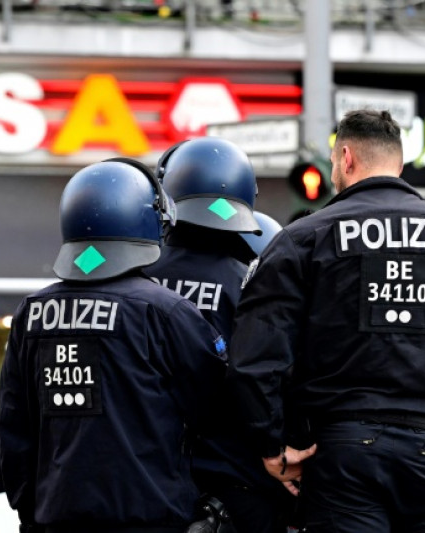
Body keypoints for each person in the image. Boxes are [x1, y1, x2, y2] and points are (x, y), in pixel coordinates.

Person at [226, 109, 425, 532]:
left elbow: (257, 356)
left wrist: (273, 443)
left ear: (346, 158)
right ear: (399, 165)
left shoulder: (304, 238)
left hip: (342, 453)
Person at [0, 158, 229, 533]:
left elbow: (14, 429)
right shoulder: (166, 312)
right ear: (150, 220)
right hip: (152, 519)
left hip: (54, 519)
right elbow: (219, 411)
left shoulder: (31, 314)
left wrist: (29, 513)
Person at [143, 137, 293, 533]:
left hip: (145, 479)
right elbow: (273, 375)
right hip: (236, 481)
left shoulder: (135, 280)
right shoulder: (252, 280)